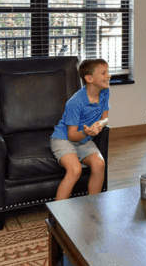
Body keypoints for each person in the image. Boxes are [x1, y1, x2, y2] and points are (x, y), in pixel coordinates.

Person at [51, 58, 110, 200]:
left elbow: (105, 118)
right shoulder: (75, 103)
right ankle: (56, 216)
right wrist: (85, 132)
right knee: (75, 170)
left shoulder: (105, 91)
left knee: (99, 164)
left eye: (108, 72)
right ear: (89, 78)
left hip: (84, 140)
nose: (108, 76)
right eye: (103, 73)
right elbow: (71, 136)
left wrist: (99, 125)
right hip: (64, 140)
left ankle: (92, 206)